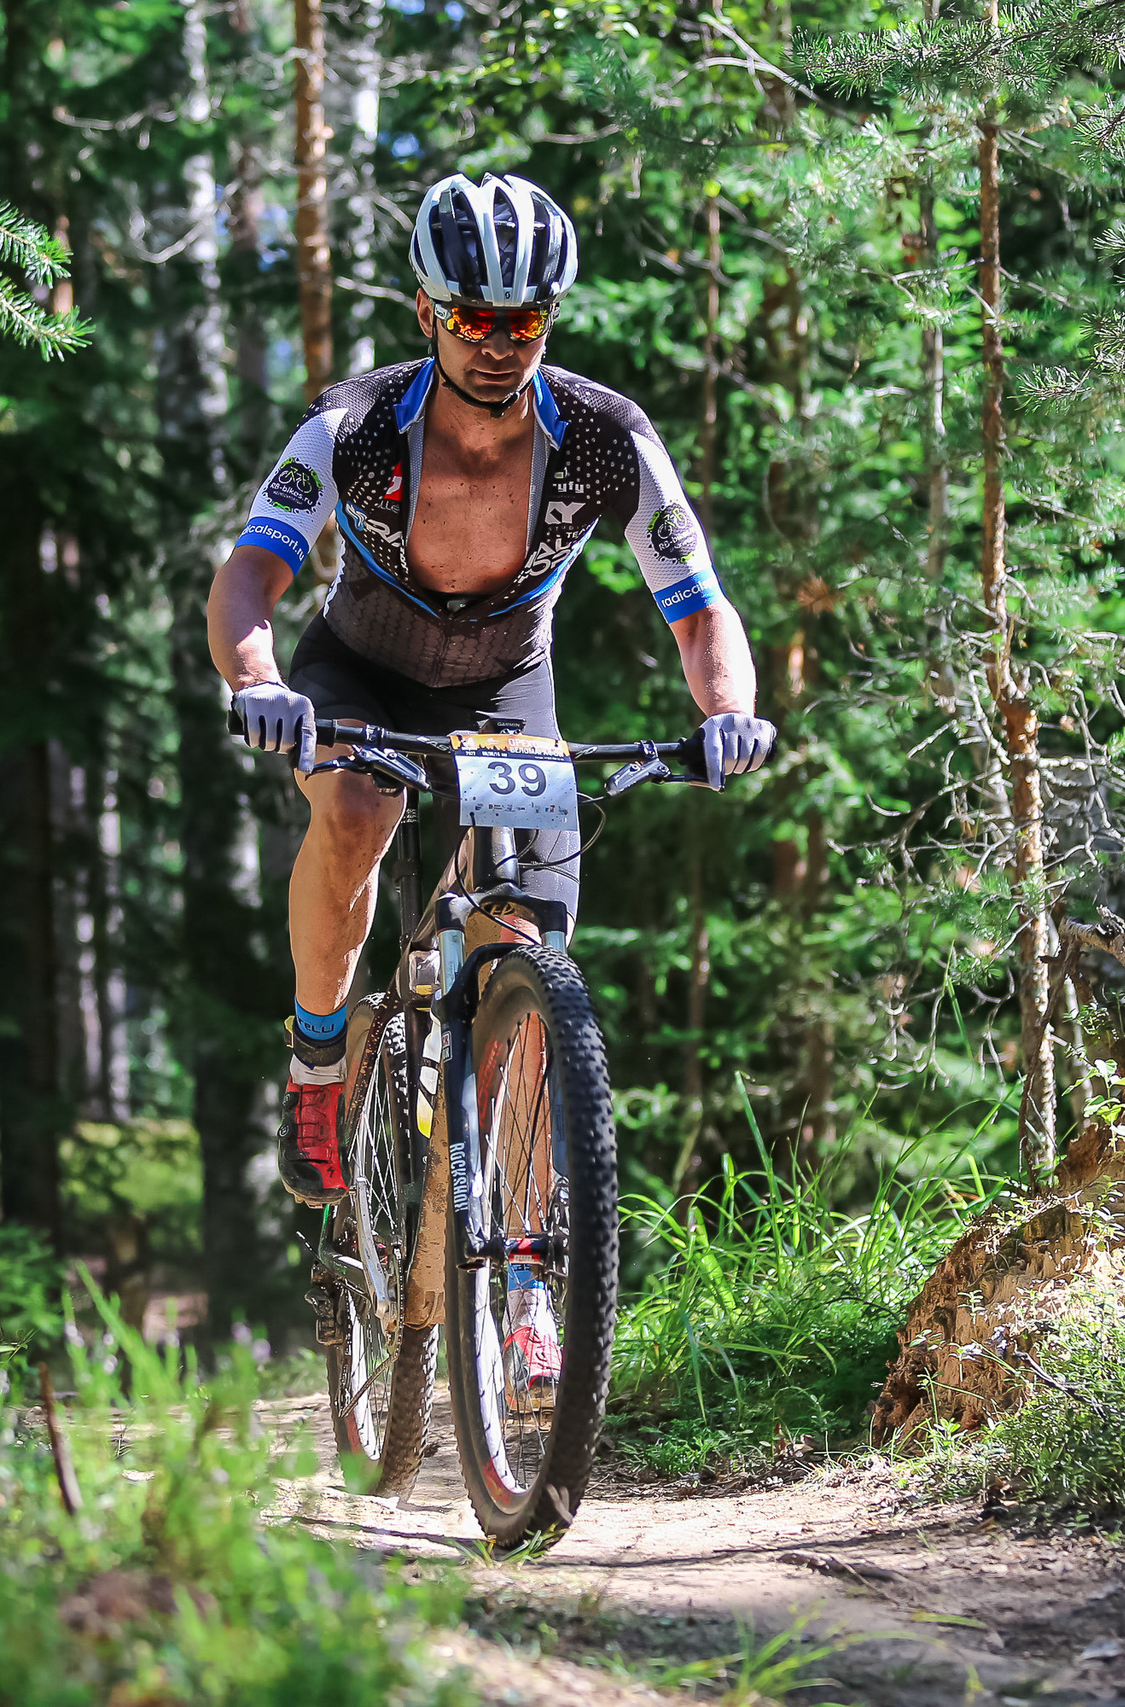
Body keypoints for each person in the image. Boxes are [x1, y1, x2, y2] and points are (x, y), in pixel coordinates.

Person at [206, 170, 776, 1216]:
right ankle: (319, 1055)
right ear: (426, 310)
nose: (498, 341)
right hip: (361, 671)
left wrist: (727, 715)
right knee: (355, 812)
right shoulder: (356, 424)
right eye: (472, 316)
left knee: (525, 941)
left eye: (525, 320)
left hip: (507, 687)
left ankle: (524, 1295)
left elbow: (698, 608)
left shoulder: (605, 435)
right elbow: (250, 574)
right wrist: (261, 681)